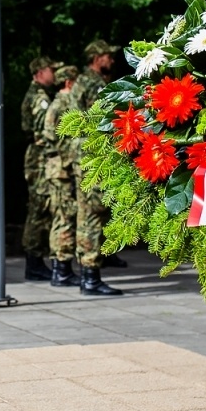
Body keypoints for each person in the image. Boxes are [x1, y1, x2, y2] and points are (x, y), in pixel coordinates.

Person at [72, 40, 123, 296]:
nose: (111, 60)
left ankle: (87, 274)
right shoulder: (94, 84)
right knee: (93, 214)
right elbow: (105, 122)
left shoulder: (81, 81)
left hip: (82, 155)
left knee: (85, 214)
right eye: (107, 56)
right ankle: (90, 276)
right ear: (96, 58)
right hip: (93, 155)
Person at [41, 65, 81, 287]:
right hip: (62, 169)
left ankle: (59, 266)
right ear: (69, 83)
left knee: (59, 217)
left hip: (55, 168)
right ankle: (62, 269)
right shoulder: (65, 104)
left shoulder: (56, 103)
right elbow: (63, 140)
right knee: (65, 217)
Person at [20, 56, 58, 281]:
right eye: (50, 69)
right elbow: (45, 130)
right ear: (39, 73)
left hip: (38, 157)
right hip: (40, 159)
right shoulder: (39, 98)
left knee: (41, 208)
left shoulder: (38, 95)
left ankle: (36, 261)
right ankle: (34, 262)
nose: (53, 73)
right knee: (39, 209)